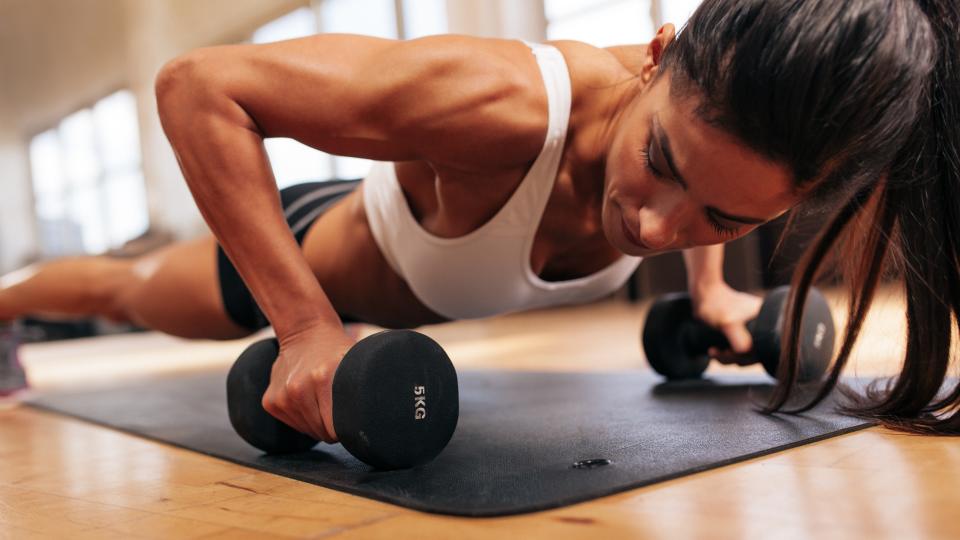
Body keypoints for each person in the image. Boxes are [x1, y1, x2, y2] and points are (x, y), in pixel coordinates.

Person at [1, 0, 957, 436]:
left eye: (724, 219)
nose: (660, 230)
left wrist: (713, 295)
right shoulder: (500, 103)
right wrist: (302, 327)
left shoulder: (717, 158)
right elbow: (198, 86)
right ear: (658, 54)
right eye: (657, 163)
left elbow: (706, 189)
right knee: (125, 292)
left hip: (406, 303)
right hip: (318, 250)